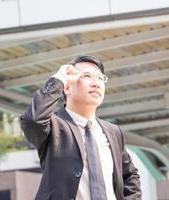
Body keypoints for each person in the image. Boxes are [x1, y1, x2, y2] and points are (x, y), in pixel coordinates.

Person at [20, 55, 142, 200]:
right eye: (87, 76)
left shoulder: (113, 132)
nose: (96, 83)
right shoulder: (54, 126)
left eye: (100, 78)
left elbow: (129, 175)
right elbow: (32, 120)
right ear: (67, 87)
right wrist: (58, 79)